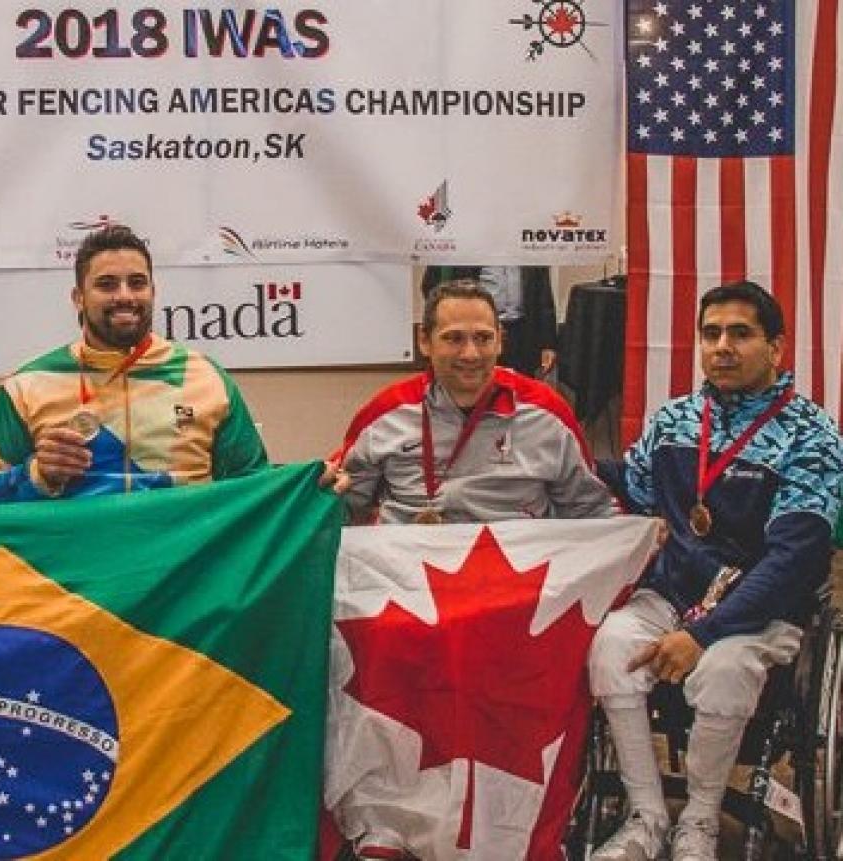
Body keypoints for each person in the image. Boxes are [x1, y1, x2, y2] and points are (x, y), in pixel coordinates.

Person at [588, 281, 843, 861]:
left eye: (741, 333)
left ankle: (698, 823)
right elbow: (630, 488)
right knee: (609, 647)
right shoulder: (675, 419)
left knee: (725, 670)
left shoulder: (812, 436)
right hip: (674, 596)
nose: (722, 346)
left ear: (776, 348)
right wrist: (554, 456)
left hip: (761, 610)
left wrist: (703, 635)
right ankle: (647, 818)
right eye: (711, 333)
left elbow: (794, 558)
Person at [0, 223, 270, 503]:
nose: (124, 296)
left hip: (181, 562)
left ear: (153, 292)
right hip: (77, 563)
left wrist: (311, 485)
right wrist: (37, 476)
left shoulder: (206, 378)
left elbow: (257, 491)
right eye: (106, 285)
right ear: (78, 297)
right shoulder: (28, 385)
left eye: (137, 283)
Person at [338, 279, 616, 526]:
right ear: (425, 341)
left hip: (516, 575)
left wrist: (639, 536)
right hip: (411, 574)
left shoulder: (546, 412)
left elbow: (591, 510)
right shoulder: (386, 411)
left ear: (500, 342)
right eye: (454, 339)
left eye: (483, 338)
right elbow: (341, 506)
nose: (470, 354)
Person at [420, 265, 557, 377]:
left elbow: (544, 298)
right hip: (479, 331)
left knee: (520, 388)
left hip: (522, 331)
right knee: (479, 380)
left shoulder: (527, 247)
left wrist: (548, 344)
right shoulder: (471, 245)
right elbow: (431, 286)